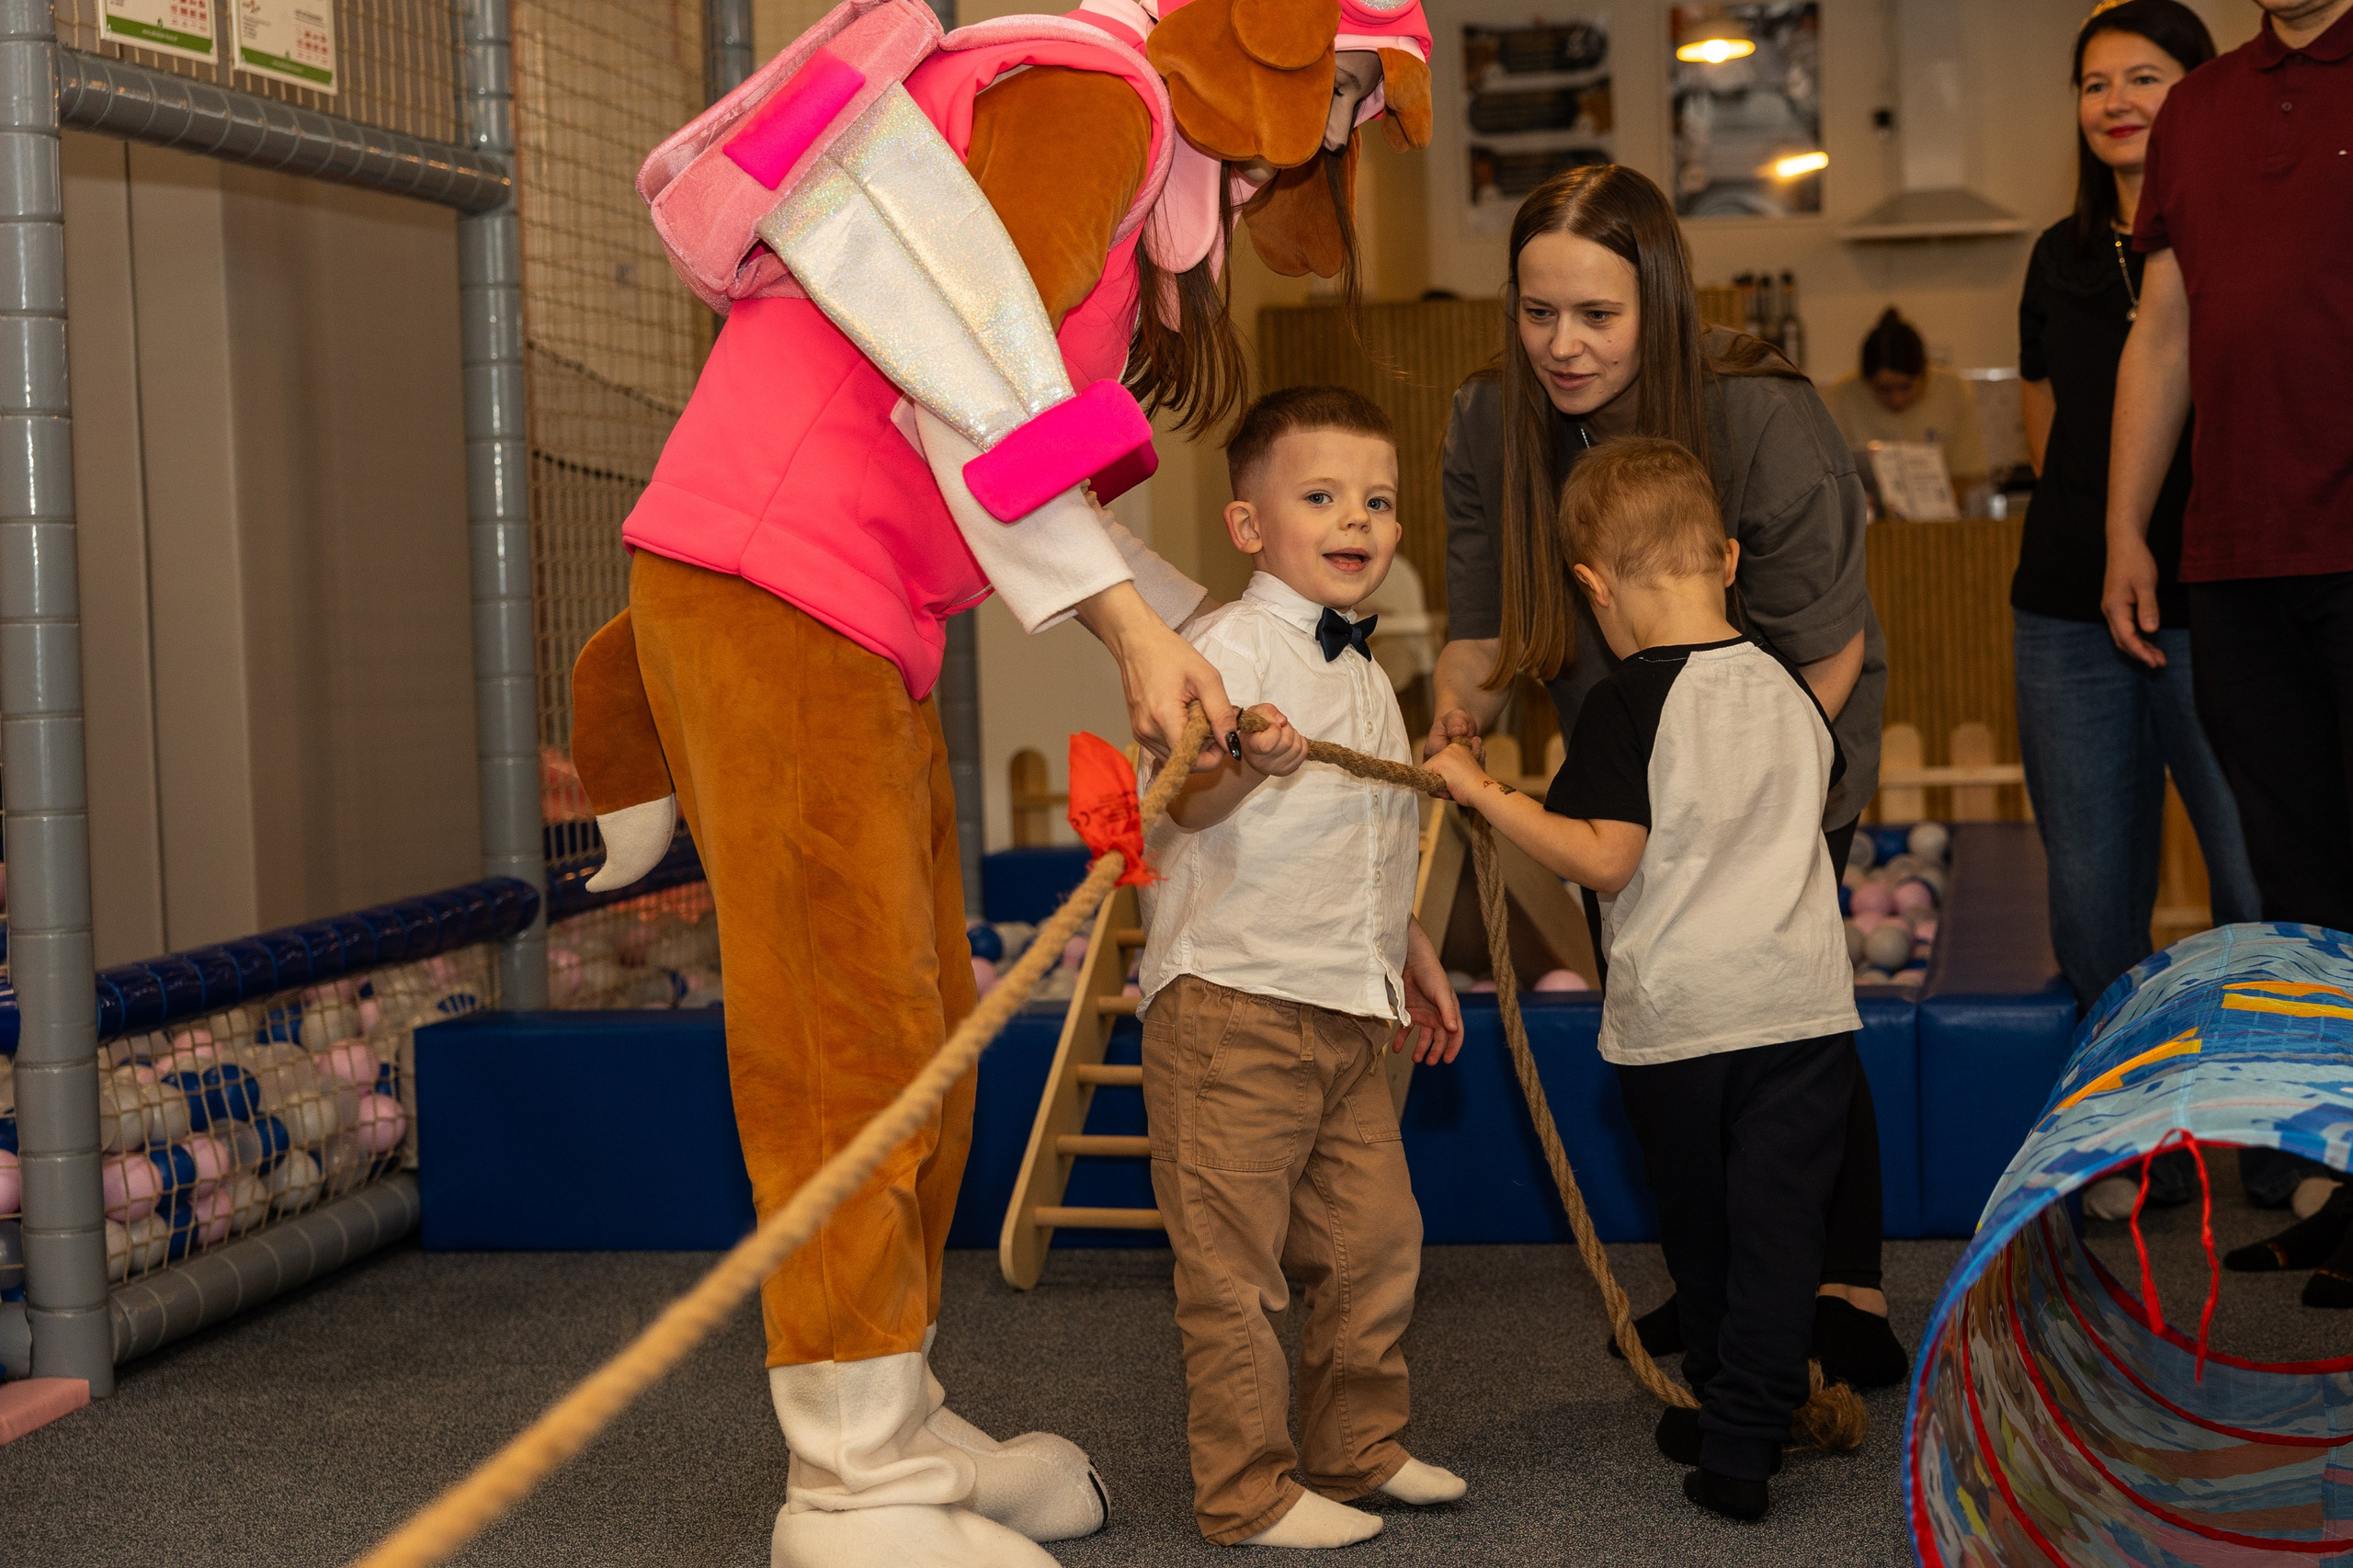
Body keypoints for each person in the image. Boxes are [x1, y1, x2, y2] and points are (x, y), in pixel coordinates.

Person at [563, 6, 1440, 1564]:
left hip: (850, 610)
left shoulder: (1114, 130)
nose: (1337, 133)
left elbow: (980, 406)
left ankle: (894, 1418)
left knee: (916, 1028)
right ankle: (847, 1485)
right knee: (846, 1045)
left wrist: (1185, 638)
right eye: (1350, 87)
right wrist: (1129, 633)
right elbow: (961, 366)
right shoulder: (1085, 99)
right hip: (788, 591)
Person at [1432, 163, 1904, 1392]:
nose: (1564, 345)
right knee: (1670, 1021)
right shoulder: (1492, 419)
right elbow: (1482, 620)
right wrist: (1455, 720)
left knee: (1786, 1010)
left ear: (1661, 304)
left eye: (1598, 316)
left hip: (1783, 736)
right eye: (1540, 314)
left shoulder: (1758, 408)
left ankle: (1842, 1280)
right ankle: (1721, 1279)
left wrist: (1731, 779)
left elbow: (1825, 636)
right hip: (1621, 756)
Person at [1427, 437, 1862, 1524]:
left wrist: (1484, 792)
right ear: (1723, 556)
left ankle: (1734, 1409)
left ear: (1592, 584)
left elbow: (1603, 855)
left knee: (1703, 1225)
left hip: (1684, 1023)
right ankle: (1740, 1427)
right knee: (1779, 1232)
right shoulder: (1786, 686)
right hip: (1804, 1012)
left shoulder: (1626, 703)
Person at [1137, 387, 1467, 1550]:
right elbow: (1185, 794)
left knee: (1373, 1246)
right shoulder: (1224, 646)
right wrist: (1247, 763)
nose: (1357, 519)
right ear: (1247, 525)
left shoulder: (1369, 672)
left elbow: (1369, 838)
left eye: (1376, 500)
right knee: (1235, 1274)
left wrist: (1410, 948)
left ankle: (1356, 1451)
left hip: (1346, 1009)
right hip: (1235, 1004)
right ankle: (1246, 1491)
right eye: (1320, 496)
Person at [2107, 0, 2353, 1293]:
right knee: (2304, 904)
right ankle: (2350, 1188)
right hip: (2241, 558)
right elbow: (2166, 330)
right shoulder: (2197, 109)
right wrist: (2125, 528)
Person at [2013, 0, 2267, 1221]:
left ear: (2203, 95)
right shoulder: (2060, 255)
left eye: (2146, 77)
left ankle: (2276, 1140)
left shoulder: (2249, 232)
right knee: (2090, 896)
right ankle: (2132, 1140)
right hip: (2067, 611)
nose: (2115, 100)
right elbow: (2046, 422)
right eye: (2094, 81)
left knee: (2256, 879)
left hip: (2221, 595)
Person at [1824, 309, 1990, 508]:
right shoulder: (1843, 396)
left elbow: (1964, 476)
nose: (1897, 400)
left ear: (1924, 374)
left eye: (1906, 387)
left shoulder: (1952, 391)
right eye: (1883, 389)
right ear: (1865, 381)